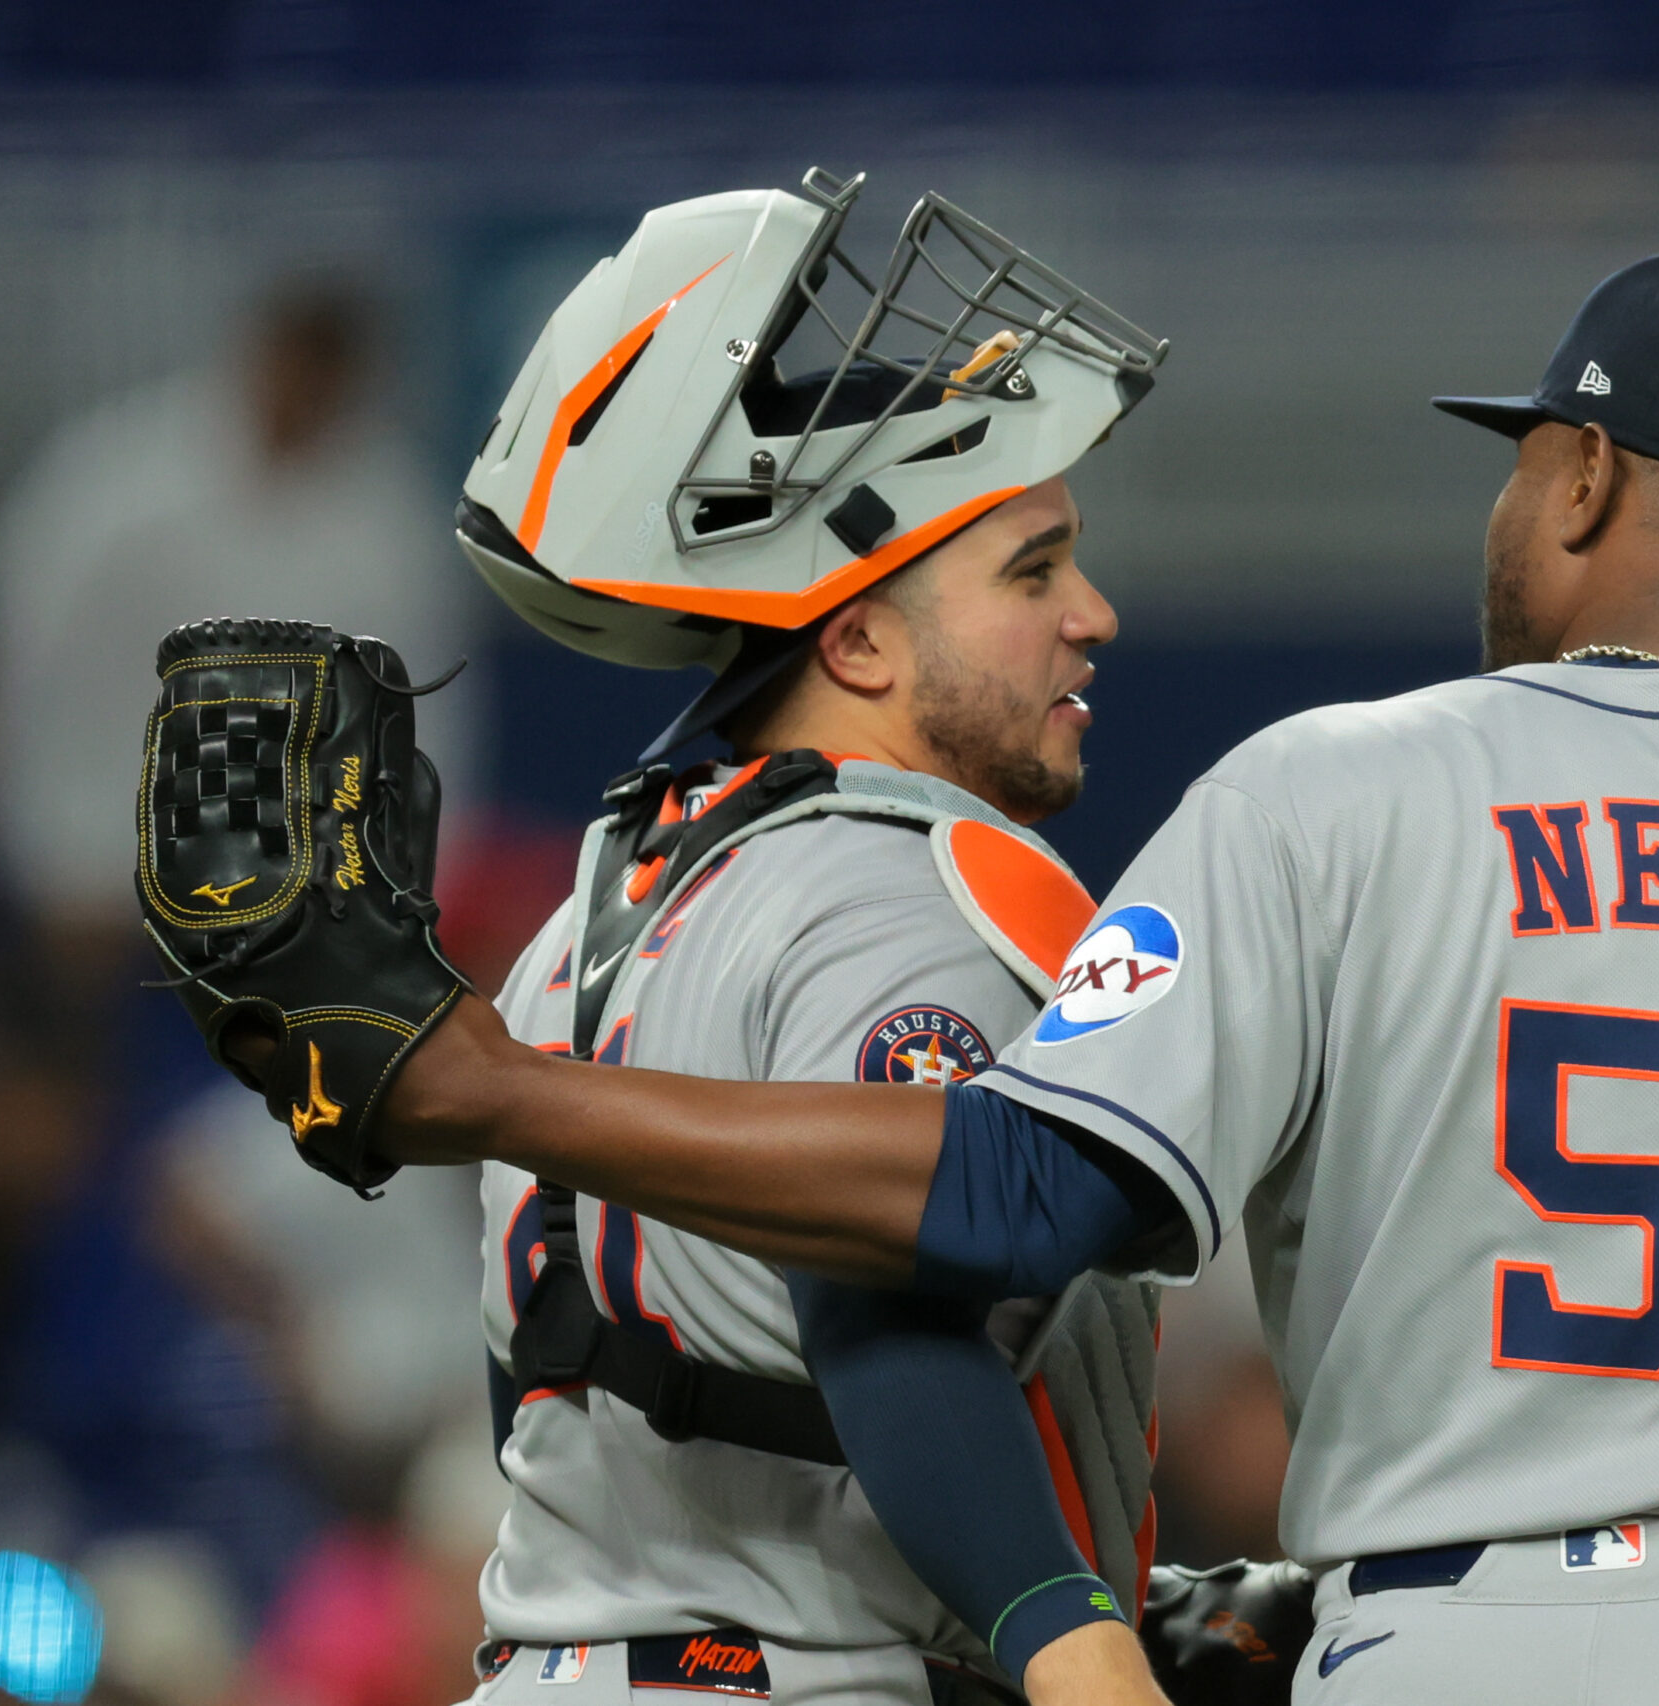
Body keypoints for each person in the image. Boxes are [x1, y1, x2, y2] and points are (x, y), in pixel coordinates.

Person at [256, 257, 1659, 1704]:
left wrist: (477, 1086)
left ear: (1587, 482)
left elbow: (997, 1206)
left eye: (1525, 456)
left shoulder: (1335, 792)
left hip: (1444, 1649)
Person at [435, 171, 1173, 1706]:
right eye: (1031, 569)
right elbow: (882, 1309)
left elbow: (543, 1389)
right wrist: (1082, 1651)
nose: (1091, 614)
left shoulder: (586, 913)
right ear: (855, 636)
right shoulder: (896, 882)